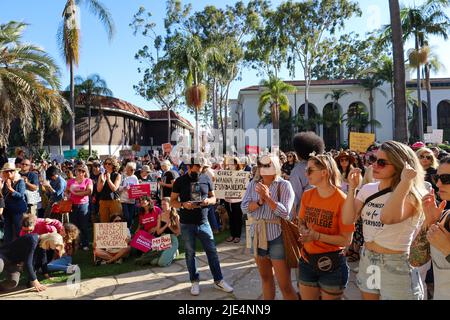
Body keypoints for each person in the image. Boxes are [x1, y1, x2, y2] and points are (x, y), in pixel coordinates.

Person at [342, 140, 427, 300]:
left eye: (381, 162)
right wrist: (352, 188)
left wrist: (405, 182)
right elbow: (348, 219)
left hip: (396, 264)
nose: (374, 165)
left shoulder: (411, 195)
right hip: (368, 258)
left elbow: (387, 217)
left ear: (399, 165)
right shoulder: (368, 189)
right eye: (373, 159)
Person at [171, 157, 233, 296]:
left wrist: (208, 201)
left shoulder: (206, 178)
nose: (200, 169)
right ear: (189, 166)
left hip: (203, 222)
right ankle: (194, 281)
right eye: (198, 167)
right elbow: (172, 201)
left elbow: (214, 198)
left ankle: (219, 280)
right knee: (190, 254)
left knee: (212, 252)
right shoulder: (180, 181)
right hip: (187, 223)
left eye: (202, 167)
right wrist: (183, 204)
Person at [297, 154, 354, 300]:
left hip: (332, 264)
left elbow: (346, 240)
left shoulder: (342, 200)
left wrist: (316, 236)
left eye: (310, 170)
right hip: (306, 260)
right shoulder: (307, 195)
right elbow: (301, 220)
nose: (306, 173)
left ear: (324, 172)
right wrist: (302, 229)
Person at [241, 155, 298, 300]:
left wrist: (267, 198)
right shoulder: (253, 184)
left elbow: (285, 212)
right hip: (257, 235)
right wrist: (260, 202)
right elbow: (244, 207)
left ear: (276, 166)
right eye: (261, 165)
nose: (264, 168)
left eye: (268, 165)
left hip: (277, 236)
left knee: (284, 284)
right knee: (265, 279)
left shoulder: (284, 185)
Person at [422, 156, 450, 299]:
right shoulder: (443, 216)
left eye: (446, 179)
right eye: (437, 177)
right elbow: (417, 260)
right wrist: (429, 222)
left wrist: (447, 249)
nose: (438, 184)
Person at [136, 197, 180, 267]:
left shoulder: (175, 216)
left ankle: (174, 253)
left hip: (172, 239)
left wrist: (170, 227)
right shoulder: (160, 216)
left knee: (161, 263)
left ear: (170, 205)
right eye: (162, 204)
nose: (162, 206)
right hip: (162, 238)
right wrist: (166, 225)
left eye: (164, 204)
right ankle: (172, 253)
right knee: (153, 262)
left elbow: (178, 233)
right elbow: (158, 232)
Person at [290, 132, 325, 216]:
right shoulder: (323, 168)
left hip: (305, 213)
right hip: (323, 211)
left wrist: (292, 218)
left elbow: (294, 197)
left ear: (299, 152)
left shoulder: (297, 170)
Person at [65, 164, 93, 251]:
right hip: (72, 205)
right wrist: (67, 195)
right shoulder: (70, 181)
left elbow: (89, 191)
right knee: (74, 225)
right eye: (79, 170)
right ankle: (76, 243)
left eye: (83, 171)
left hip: (83, 204)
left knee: (83, 225)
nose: (80, 172)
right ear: (75, 171)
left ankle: (85, 243)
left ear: (85, 172)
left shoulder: (88, 180)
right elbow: (66, 191)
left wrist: (75, 194)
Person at [1, 163, 27, 244]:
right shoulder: (4, 183)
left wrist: (11, 189)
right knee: (7, 231)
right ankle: (7, 249)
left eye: (11, 171)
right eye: (7, 171)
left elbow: (20, 196)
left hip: (17, 211)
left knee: (18, 230)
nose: (9, 173)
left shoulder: (20, 182)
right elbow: (3, 197)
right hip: (7, 211)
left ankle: (20, 248)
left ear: (14, 172)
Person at [224, 156, 244, 243]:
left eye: (233, 164)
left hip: (238, 200)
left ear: (236, 164)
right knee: (231, 218)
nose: (231, 165)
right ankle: (232, 234)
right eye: (230, 163)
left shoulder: (241, 173)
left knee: (237, 218)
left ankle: (237, 235)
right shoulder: (226, 173)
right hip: (228, 200)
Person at [97, 157, 122, 223]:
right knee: (104, 222)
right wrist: (103, 181)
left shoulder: (117, 175)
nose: (107, 165)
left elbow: (114, 188)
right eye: (106, 163)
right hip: (103, 201)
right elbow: (98, 190)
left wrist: (108, 179)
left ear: (113, 165)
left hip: (114, 201)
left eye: (109, 164)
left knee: (116, 221)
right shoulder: (101, 175)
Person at [119, 162, 139, 229]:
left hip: (132, 200)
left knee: (130, 217)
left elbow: (137, 188)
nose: (133, 171)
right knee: (126, 216)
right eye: (131, 170)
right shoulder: (122, 176)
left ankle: (128, 230)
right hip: (124, 200)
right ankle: (124, 229)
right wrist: (124, 188)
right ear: (127, 169)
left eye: (134, 170)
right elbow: (118, 188)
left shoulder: (135, 178)